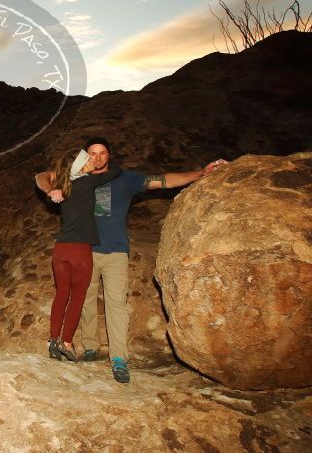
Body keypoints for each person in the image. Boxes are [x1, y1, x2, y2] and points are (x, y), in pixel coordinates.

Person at [41, 137, 227, 383]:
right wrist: (51, 189)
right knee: (84, 300)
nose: (97, 158)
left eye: (102, 153)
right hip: (85, 249)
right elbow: (42, 176)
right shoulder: (77, 175)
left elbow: (164, 180)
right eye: (92, 154)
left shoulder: (125, 179)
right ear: (84, 157)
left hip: (116, 250)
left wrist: (201, 172)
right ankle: (89, 348)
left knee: (116, 303)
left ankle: (119, 358)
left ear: (109, 155)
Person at [35, 148, 121, 362]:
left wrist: (50, 190)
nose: (93, 160)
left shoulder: (65, 185)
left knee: (62, 294)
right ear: (81, 164)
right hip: (80, 250)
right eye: (89, 158)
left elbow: (40, 176)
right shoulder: (87, 182)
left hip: (61, 250)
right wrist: (104, 161)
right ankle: (66, 342)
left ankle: (53, 340)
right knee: (78, 298)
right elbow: (115, 171)